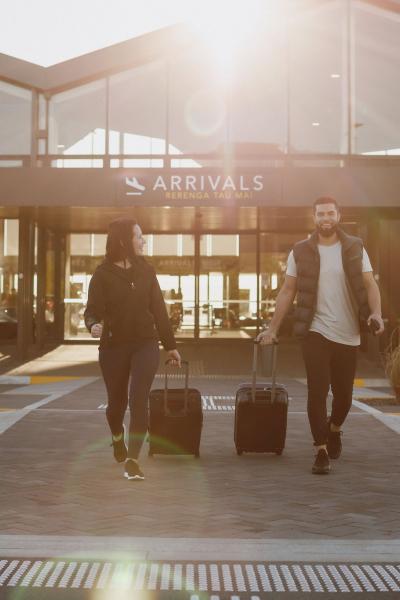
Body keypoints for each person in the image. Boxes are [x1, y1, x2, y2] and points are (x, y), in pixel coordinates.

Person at [257, 197, 384, 475]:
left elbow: (369, 283)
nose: (325, 218)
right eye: (320, 214)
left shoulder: (355, 248)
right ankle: (320, 449)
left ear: (339, 215)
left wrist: (376, 313)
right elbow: (288, 291)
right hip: (315, 331)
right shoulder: (300, 251)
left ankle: (335, 428)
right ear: (314, 218)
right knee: (317, 391)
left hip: (348, 333)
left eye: (330, 213)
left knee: (344, 398)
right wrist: (273, 328)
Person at [84, 218, 181, 481]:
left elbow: (159, 310)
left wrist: (170, 346)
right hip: (113, 347)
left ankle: (133, 460)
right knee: (116, 404)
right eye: (138, 236)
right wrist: (93, 325)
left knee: (139, 398)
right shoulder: (102, 274)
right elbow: (91, 310)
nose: (143, 240)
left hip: (145, 344)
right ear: (123, 240)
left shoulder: (146, 271)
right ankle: (117, 437)